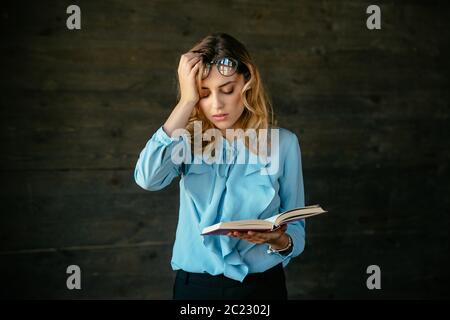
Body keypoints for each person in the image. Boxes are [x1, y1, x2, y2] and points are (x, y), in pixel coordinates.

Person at [134, 33, 306, 300]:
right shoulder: (186, 140)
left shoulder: (284, 144)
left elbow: (296, 232)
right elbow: (147, 178)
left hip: (262, 289)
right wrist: (185, 102)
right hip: (195, 290)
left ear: (247, 84)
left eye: (227, 90)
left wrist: (277, 240)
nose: (217, 104)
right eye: (203, 93)